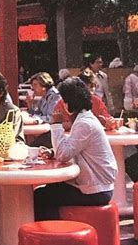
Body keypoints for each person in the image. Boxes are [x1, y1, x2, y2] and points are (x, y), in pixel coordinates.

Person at [34, 77, 117, 220]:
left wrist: (56, 125)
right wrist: (53, 152)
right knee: (50, 188)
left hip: (97, 190)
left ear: (69, 102)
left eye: (63, 100)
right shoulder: (85, 119)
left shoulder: (84, 123)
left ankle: (54, 236)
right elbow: (74, 147)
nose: (61, 105)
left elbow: (63, 155)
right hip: (98, 185)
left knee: (41, 195)